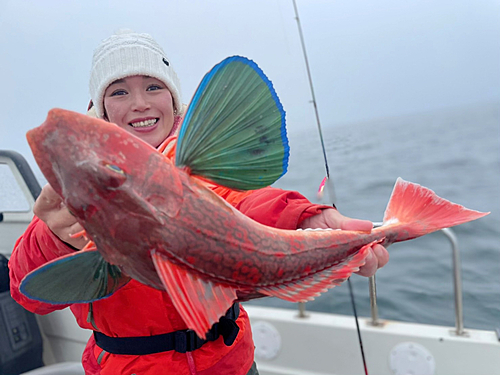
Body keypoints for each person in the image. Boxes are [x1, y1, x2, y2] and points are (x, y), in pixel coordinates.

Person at [9, 31, 389, 375]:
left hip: (228, 364)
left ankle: (395, 226)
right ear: (101, 109)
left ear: (173, 98)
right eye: (119, 91)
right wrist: (58, 237)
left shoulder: (195, 170)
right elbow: (28, 291)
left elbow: (240, 204)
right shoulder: (70, 202)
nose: (140, 103)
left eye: (153, 86)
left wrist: (305, 219)